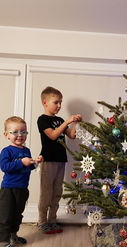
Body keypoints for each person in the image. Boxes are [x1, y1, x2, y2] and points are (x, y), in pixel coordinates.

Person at [37, 86, 82, 234]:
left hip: (60, 161)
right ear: (45, 102)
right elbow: (53, 135)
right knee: (46, 193)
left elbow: (72, 135)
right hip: (48, 161)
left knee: (57, 192)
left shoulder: (60, 120)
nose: (59, 106)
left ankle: (52, 220)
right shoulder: (42, 120)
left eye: (60, 102)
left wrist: (74, 123)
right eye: (56, 102)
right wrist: (67, 121)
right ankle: (42, 221)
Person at [0, 116, 43, 247]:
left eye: (23, 132)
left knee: (17, 215)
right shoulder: (7, 151)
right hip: (8, 189)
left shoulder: (26, 150)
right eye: (15, 132)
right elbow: (5, 167)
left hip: (22, 189)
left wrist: (35, 162)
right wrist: (21, 162)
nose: (20, 135)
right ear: (6, 135)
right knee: (5, 216)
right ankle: (3, 243)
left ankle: (13, 236)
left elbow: (27, 168)